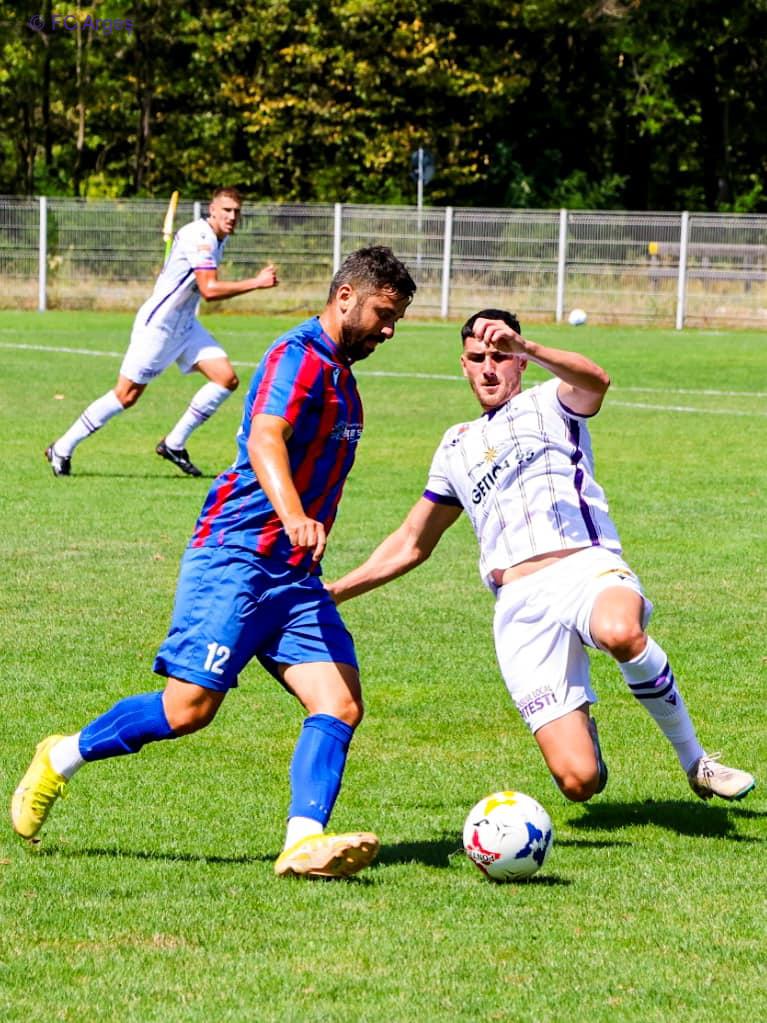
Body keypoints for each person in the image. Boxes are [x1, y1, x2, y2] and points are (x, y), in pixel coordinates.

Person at [13, 246, 417, 879]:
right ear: (345, 298)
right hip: (237, 557)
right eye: (383, 315)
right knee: (188, 711)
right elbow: (265, 437)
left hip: (294, 577)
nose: (388, 330)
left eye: (396, 320)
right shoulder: (297, 357)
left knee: (339, 703)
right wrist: (292, 515)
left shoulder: (342, 376)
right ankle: (60, 757)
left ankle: (303, 843)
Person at [327, 309, 756, 805]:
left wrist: (527, 344)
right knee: (579, 782)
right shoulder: (454, 446)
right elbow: (411, 541)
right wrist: (335, 592)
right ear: (463, 365)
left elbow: (597, 380)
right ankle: (586, 740)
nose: (489, 368)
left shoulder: (551, 400)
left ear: (520, 362)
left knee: (620, 632)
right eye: (477, 358)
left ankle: (697, 761)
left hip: (584, 567)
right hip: (519, 606)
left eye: (500, 356)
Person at [45, 187, 279, 479]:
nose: (232, 217)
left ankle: (173, 444)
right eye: (226, 210)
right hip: (159, 327)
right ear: (212, 210)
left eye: (236, 211)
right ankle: (63, 447)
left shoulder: (219, 237)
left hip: (185, 325)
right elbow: (209, 290)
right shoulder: (201, 237)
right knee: (126, 395)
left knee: (226, 379)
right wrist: (256, 282)